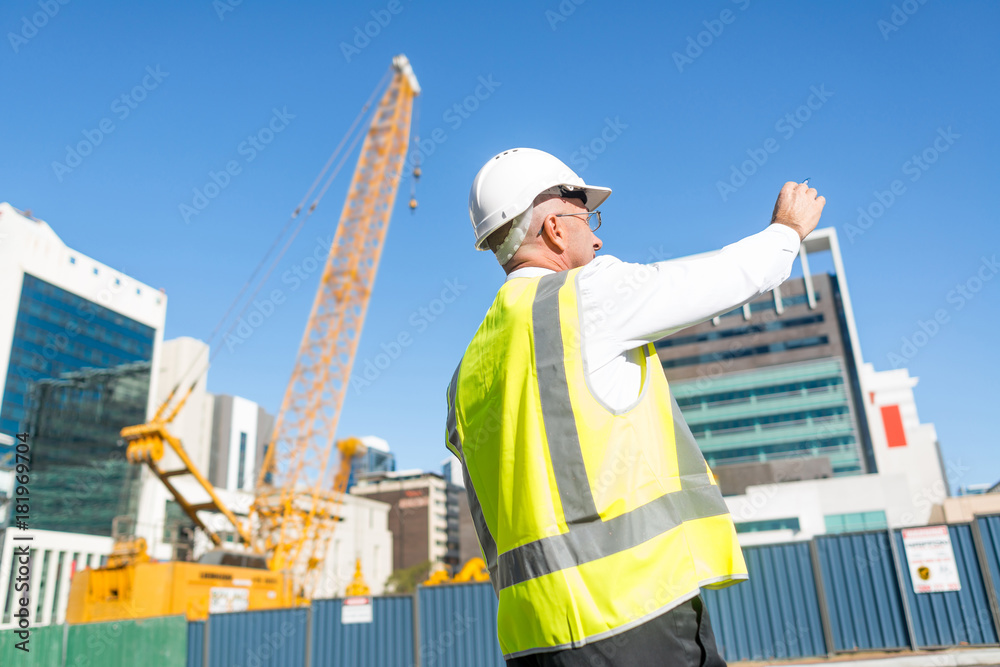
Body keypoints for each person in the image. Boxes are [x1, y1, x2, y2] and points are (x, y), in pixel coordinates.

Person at [445, 147, 825, 666]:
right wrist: (787, 231)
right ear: (555, 228)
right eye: (587, 218)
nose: (597, 237)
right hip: (633, 614)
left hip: (534, 636)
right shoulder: (584, 296)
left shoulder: (467, 370)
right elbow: (718, 278)